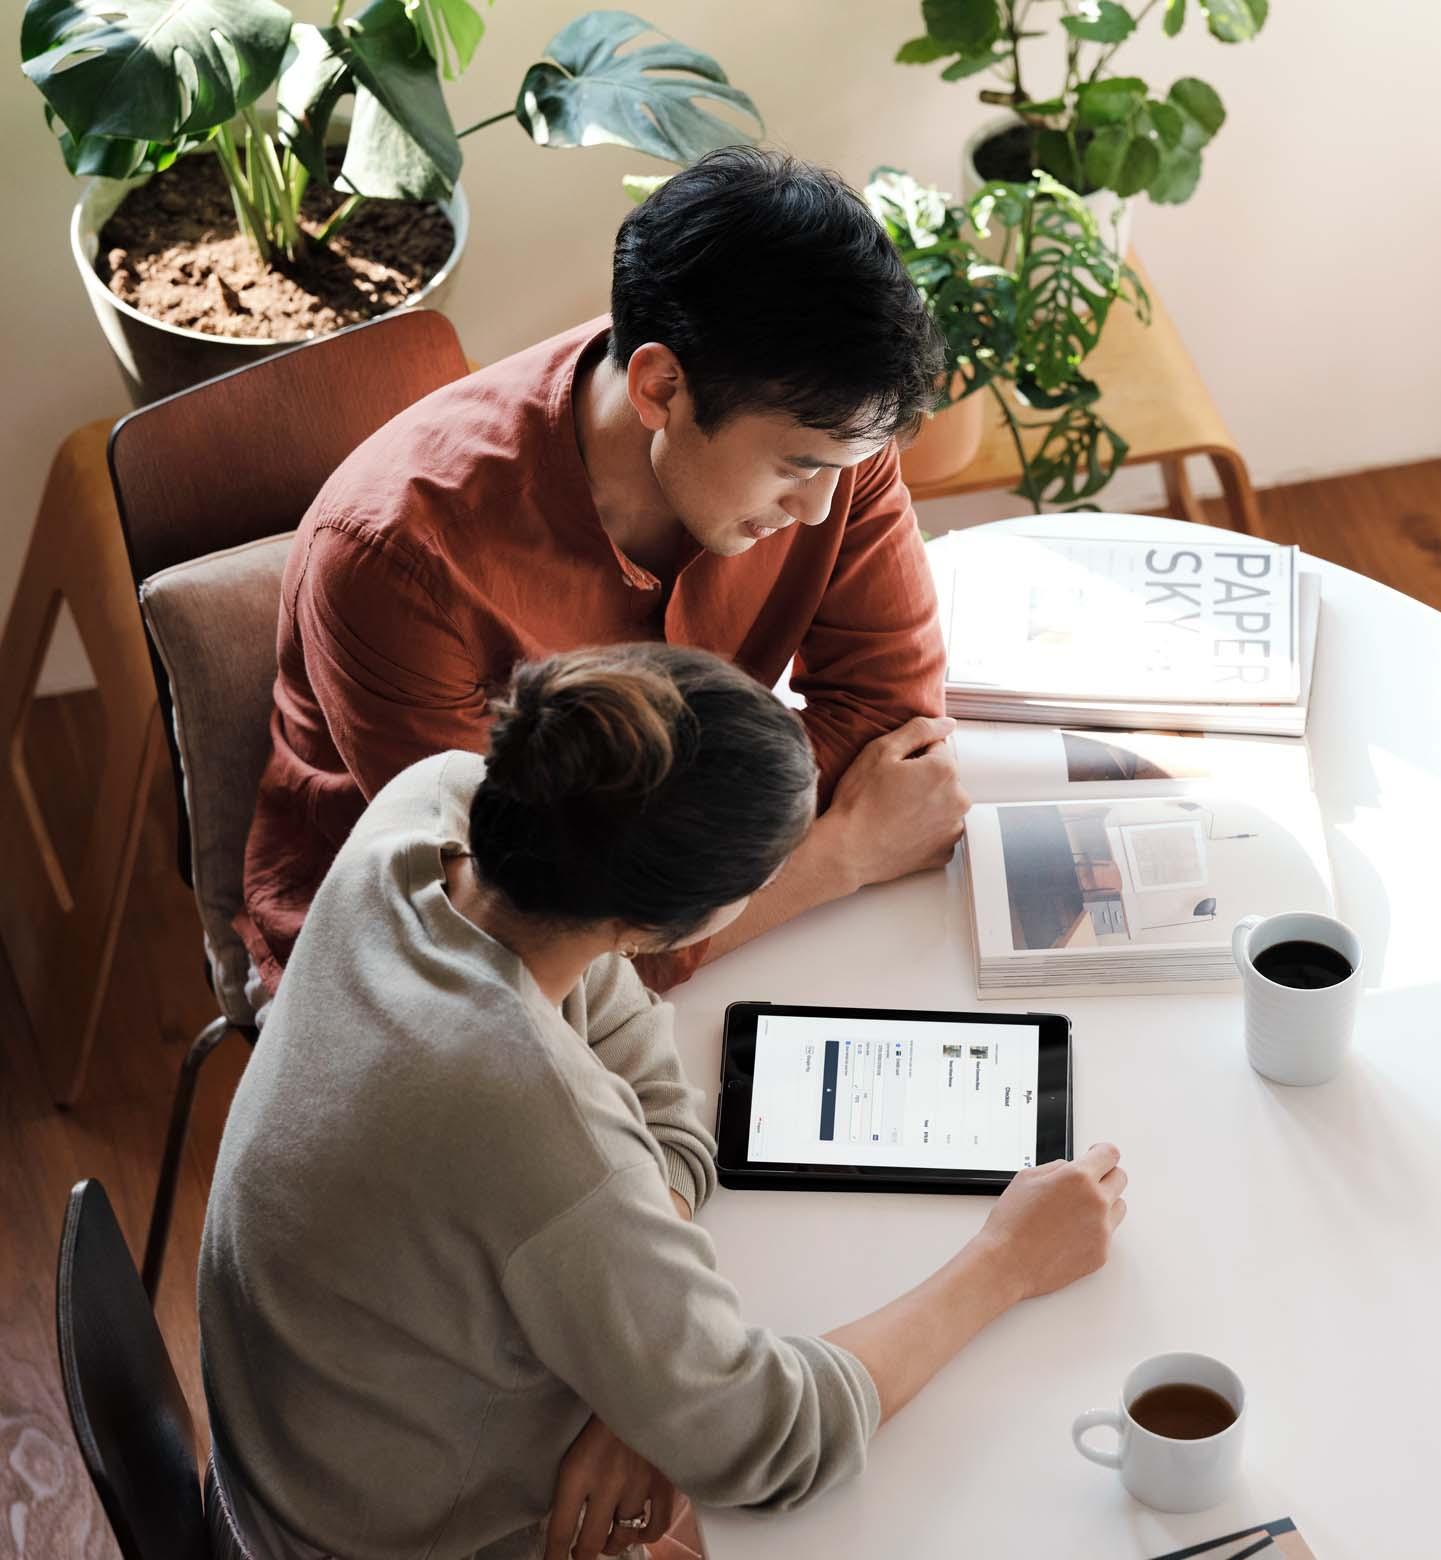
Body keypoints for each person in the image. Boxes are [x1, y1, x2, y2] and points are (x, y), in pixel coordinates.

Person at [199, 645, 1129, 1560]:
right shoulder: (529, 1115)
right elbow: (774, 1443)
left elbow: (638, 1056)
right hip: (381, 1535)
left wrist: (638, 1376)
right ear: (658, 928)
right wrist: (1008, 1260)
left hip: (298, 1444)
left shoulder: (434, 811)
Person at [237, 145, 971, 1007]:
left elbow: (896, 725)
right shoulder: (398, 561)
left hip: (643, 936)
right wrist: (841, 855)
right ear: (660, 388)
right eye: (796, 470)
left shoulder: (830, 439)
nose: (818, 510)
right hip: (412, 964)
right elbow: (520, 936)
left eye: (846, 467)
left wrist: (674, 856)